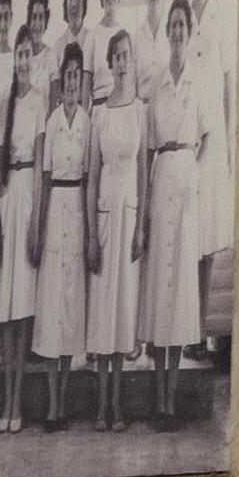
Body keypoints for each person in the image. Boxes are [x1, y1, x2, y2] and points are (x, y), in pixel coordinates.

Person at [142, 0, 206, 420]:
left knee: (180, 287)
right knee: (160, 288)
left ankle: (172, 397)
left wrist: (190, 172)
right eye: (174, 25)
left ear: (189, 31)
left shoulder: (196, 84)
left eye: (184, 25)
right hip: (162, 174)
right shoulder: (156, 87)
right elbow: (149, 147)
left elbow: (206, 138)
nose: (179, 32)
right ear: (167, 33)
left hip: (186, 181)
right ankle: (159, 400)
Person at [0, 0, 53, 433]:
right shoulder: (4, 102)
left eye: (30, 53)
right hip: (6, 202)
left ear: (35, 56)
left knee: (25, 309)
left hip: (28, 203)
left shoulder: (39, 102)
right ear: (13, 58)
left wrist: (35, 224)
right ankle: (7, 401)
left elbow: (38, 162)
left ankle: (18, 401)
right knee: (7, 310)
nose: (25, 59)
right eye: (19, 53)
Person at [87, 29, 150, 427]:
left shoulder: (140, 110)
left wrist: (141, 225)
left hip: (129, 213)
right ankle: (101, 406)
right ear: (110, 63)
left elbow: (144, 168)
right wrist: (93, 233)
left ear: (133, 61)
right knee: (103, 309)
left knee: (123, 307)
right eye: (117, 56)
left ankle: (118, 405)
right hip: (107, 211)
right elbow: (93, 173)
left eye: (128, 55)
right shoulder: (99, 112)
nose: (123, 62)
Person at [28, 44, 94, 426]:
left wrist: (88, 230)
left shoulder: (87, 121)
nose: (71, 81)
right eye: (66, 75)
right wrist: (38, 226)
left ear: (81, 80)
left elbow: (87, 178)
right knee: (53, 306)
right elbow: (46, 176)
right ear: (60, 80)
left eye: (76, 75)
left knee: (71, 310)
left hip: (77, 210)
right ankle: (51, 404)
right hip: (55, 213)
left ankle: (64, 400)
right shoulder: (53, 121)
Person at [185, 0, 232, 358]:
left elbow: (227, 81)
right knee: (188, 236)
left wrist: (228, 141)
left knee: (208, 243)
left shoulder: (219, 15)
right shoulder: (184, 15)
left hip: (213, 135)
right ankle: (189, 330)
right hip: (188, 136)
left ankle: (202, 330)